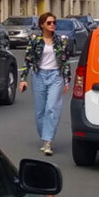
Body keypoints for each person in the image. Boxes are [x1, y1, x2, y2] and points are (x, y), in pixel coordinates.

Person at [18, 12, 71, 156]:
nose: (52, 25)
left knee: (52, 108)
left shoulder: (61, 41)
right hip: (39, 75)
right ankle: (45, 137)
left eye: (54, 22)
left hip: (56, 76)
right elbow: (28, 59)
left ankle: (48, 141)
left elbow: (65, 61)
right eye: (49, 23)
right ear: (42, 25)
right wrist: (23, 79)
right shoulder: (35, 40)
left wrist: (67, 80)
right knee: (40, 111)